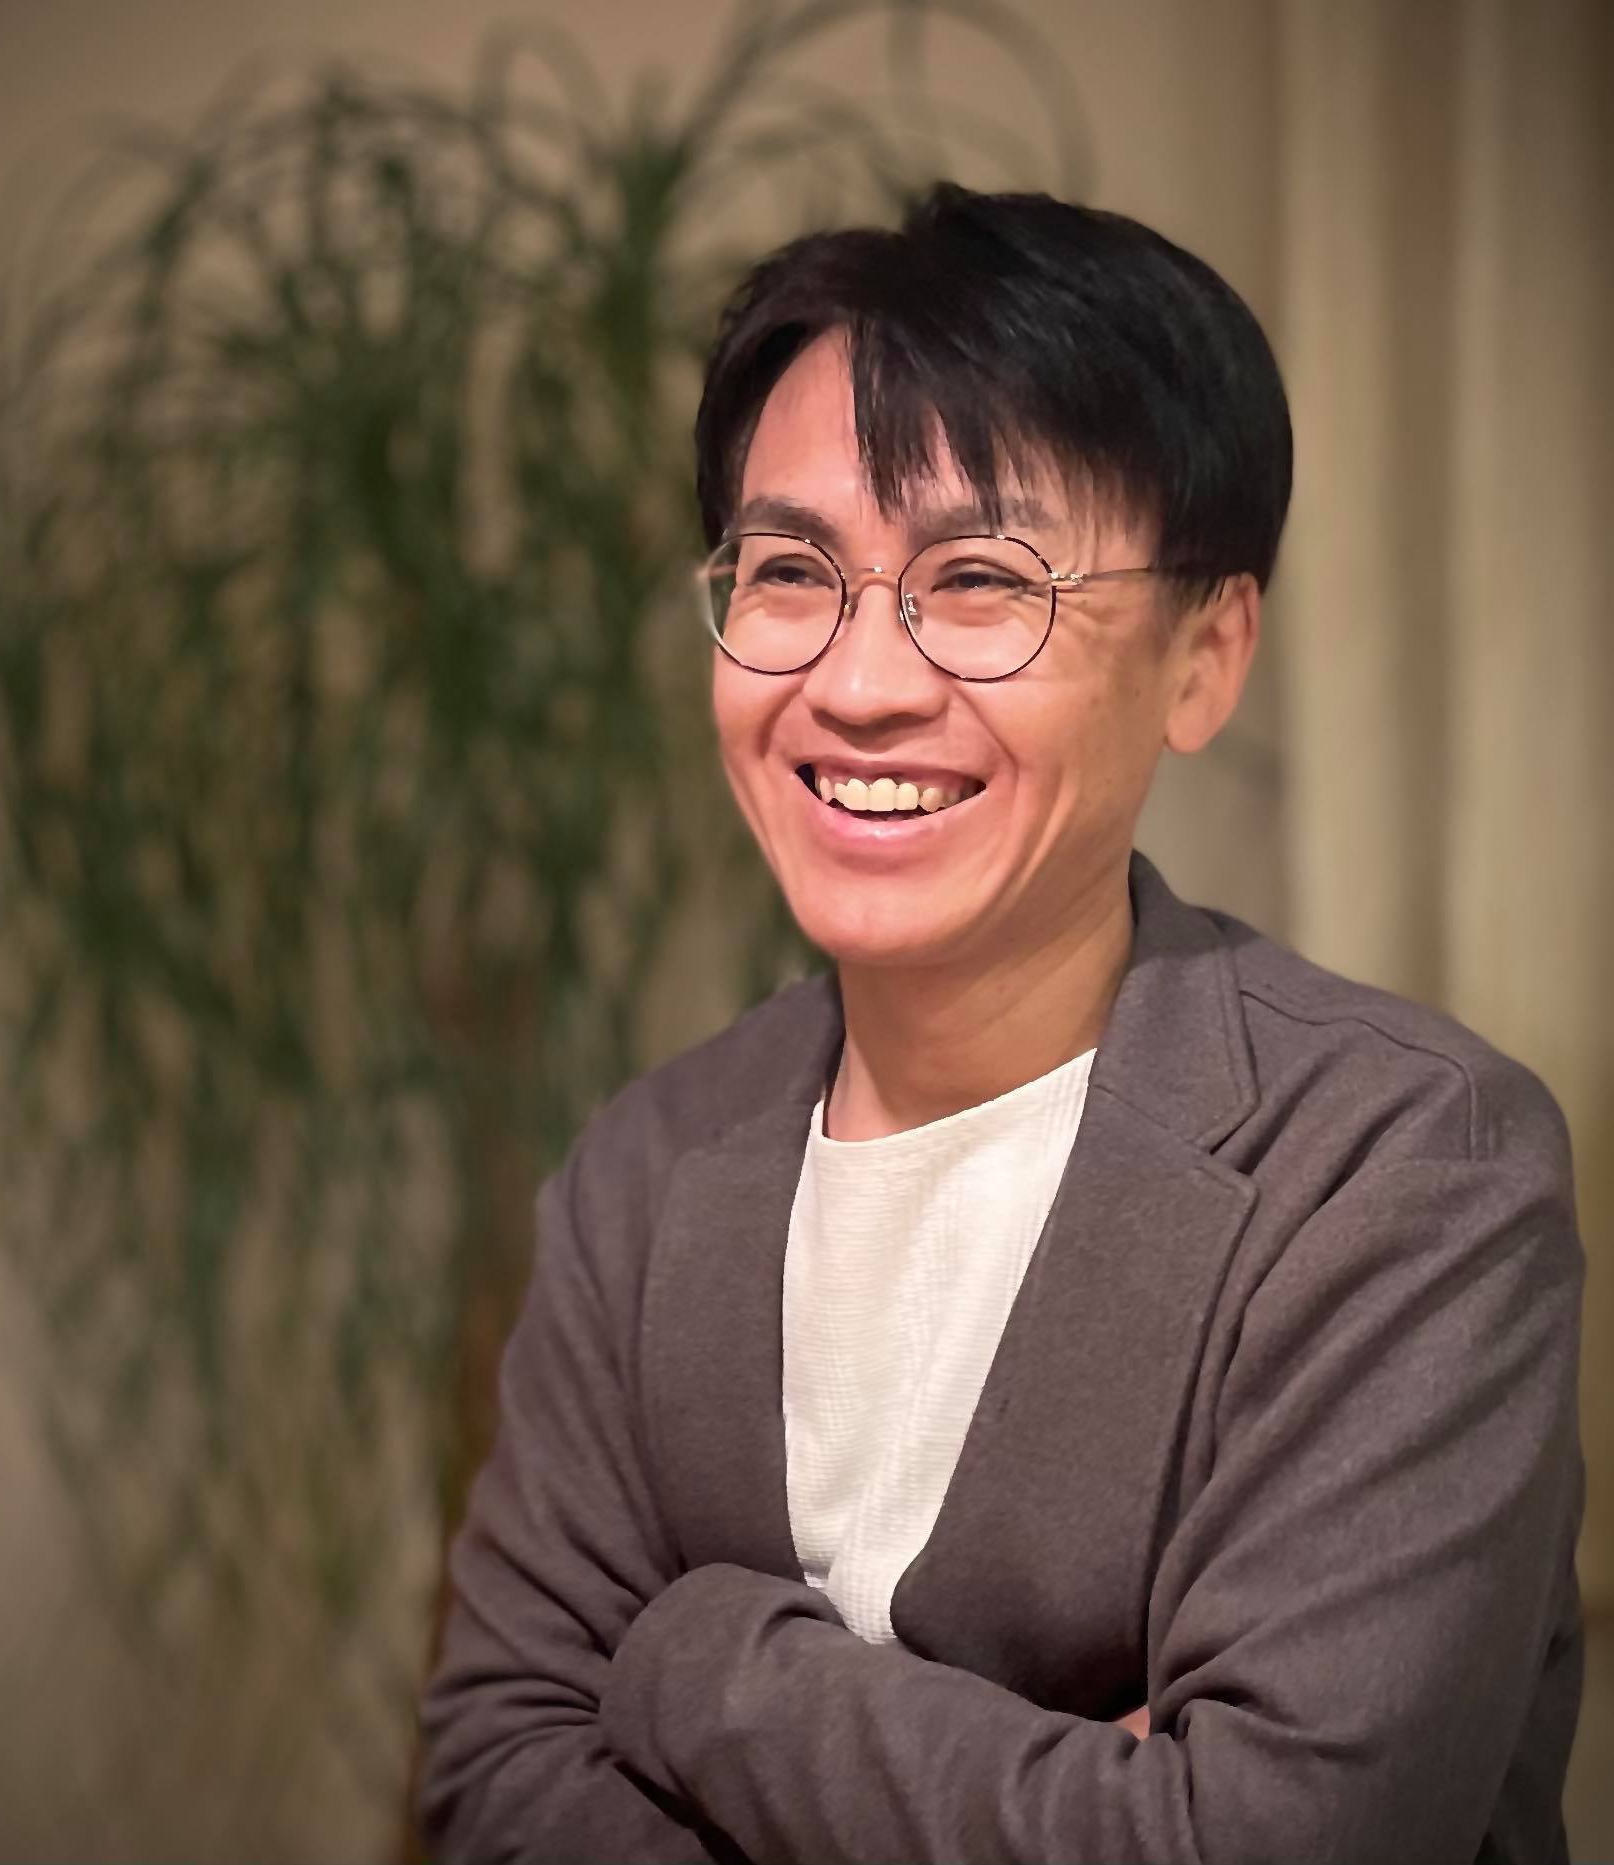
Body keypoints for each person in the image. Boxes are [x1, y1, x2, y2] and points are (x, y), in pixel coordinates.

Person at [417, 186, 1584, 1863]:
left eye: (978, 580)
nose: (859, 684)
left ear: (1203, 655)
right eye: (788, 572)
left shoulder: (1400, 1170)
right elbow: (498, 1786)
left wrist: (696, 1659)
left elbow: (1260, 1841)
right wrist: (1075, 1784)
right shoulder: (647, 1167)